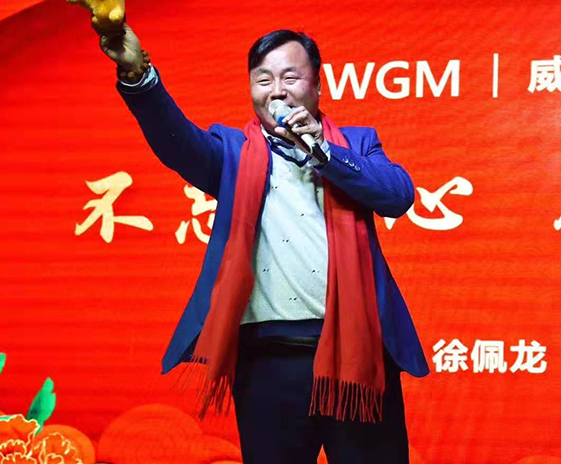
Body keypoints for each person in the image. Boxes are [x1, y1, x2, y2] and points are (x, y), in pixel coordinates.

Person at [98, 24, 429, 464]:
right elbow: (175, 142)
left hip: (357, 356)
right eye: (263, 79)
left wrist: (323, 150)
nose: (277, 91)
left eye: (290, 77)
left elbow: (397, 195)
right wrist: (138, 75)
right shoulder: (232, 153)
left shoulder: (356, 143)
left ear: (317, 85)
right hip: (268, 362)